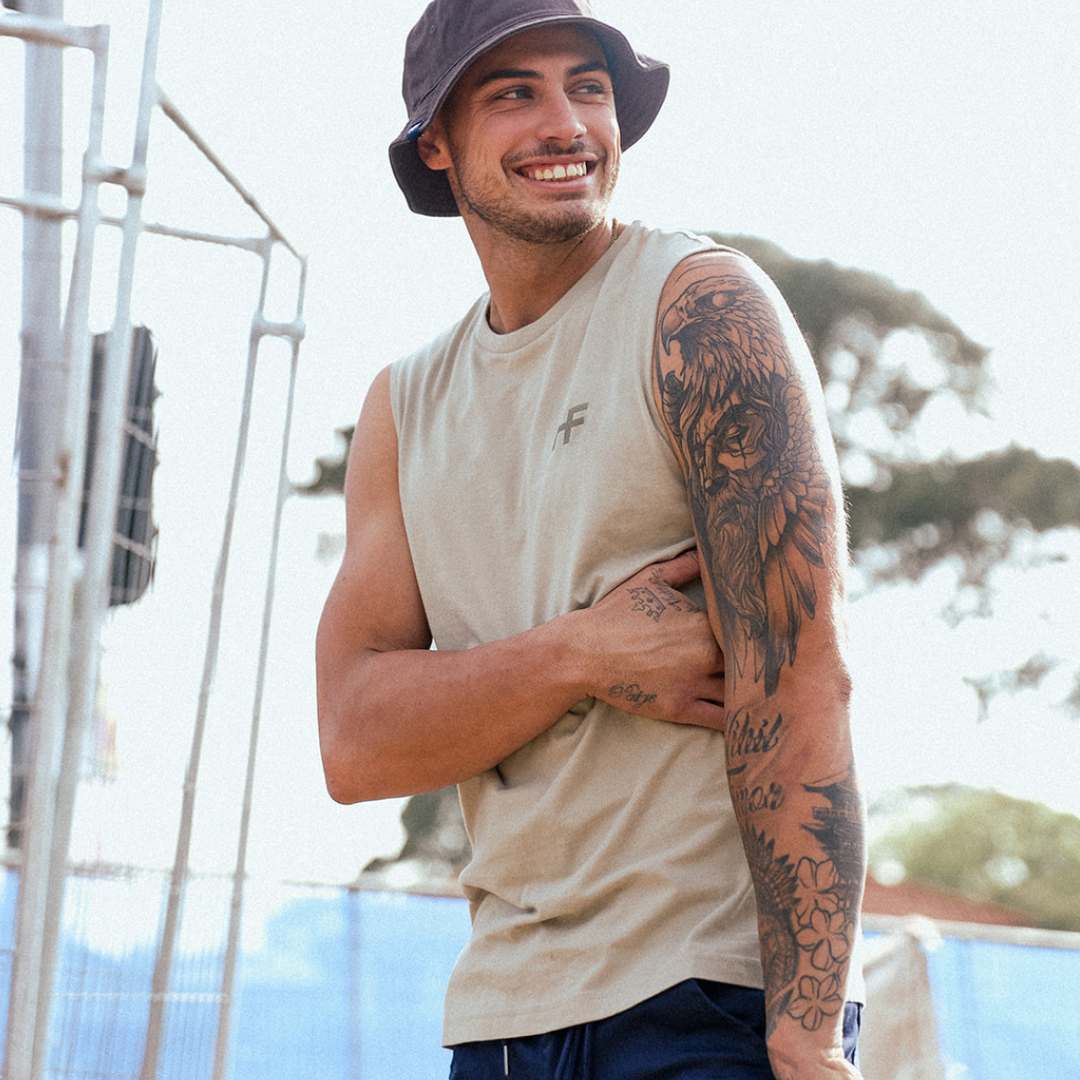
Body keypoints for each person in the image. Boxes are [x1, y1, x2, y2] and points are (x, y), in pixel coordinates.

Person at [315, 1, 867, 1076]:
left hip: (710, 998)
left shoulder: (700, 307)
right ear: (437, 143)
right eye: (514, 94)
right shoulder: (403, 407)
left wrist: (809, 1032)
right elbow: (355, 742)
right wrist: (579, 654)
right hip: (503, 1016)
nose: (566, 123)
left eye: (589, 87)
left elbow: (801, 672)